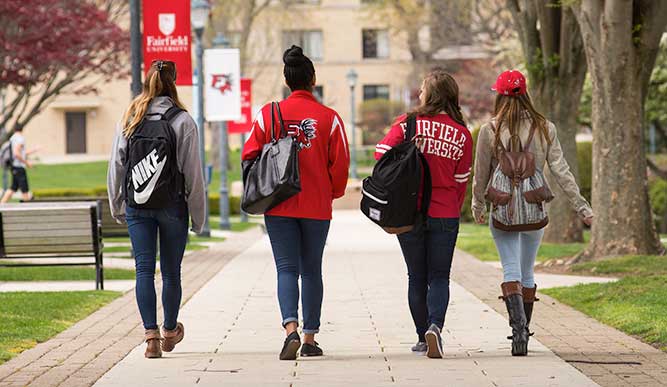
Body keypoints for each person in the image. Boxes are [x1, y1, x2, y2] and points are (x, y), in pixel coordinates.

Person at [471, 70, 593, 356]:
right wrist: (583, 208)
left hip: (503, 210)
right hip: (534, 208)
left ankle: (518, 332)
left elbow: (481, 174)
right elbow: (562, 172)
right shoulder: (544, 127)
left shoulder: (490, 130)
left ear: (499, 95)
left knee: (510, 268)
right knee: (527, 270)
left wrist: (478, 204)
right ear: (526, 93)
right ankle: (525, 330)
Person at [241, 45, 350, 360]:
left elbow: (249, 155)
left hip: (278, 204)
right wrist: (334, 192)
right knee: (312, 270)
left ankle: (289, 328)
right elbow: (340, 164)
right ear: (312, 79)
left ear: (286, 80)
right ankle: (309, 338)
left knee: (286, 268)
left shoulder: (267, 115)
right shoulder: (329, 118)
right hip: (316, 205)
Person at [107, 60, 206, 359]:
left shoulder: (131, 116)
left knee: (144, 270)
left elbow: (116, 165)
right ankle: (170, 330)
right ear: (174, 82)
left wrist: (117, 204)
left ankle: (150, 337)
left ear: (146, 79)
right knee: (172, 273)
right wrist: (199, 218)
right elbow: (193, 174)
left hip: (138, 205)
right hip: (173, 206)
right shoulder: (183, 121)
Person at [374, 69, 473, 359]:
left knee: (416, 276)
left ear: (430, 94)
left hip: (409, 212)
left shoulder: (408, 124)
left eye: (422, 89)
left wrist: (410, 154)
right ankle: (435, 327)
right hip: (445, 213)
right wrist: (452, 210)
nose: (419, 94)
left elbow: (381, 154)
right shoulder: (462, 134)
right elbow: (460, 181)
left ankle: (421, 337)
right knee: (440, 276)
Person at [1, 124, 37, 203]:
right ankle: (26, 210)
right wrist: (27, 163)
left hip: (13, 166)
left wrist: (34, 150)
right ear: (22, 129)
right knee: (24, 189)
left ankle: (1, 205)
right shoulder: (20, 139)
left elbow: (21, 153)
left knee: (13, 187)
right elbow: (17, 153)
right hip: (19, 166)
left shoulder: (12, 138)